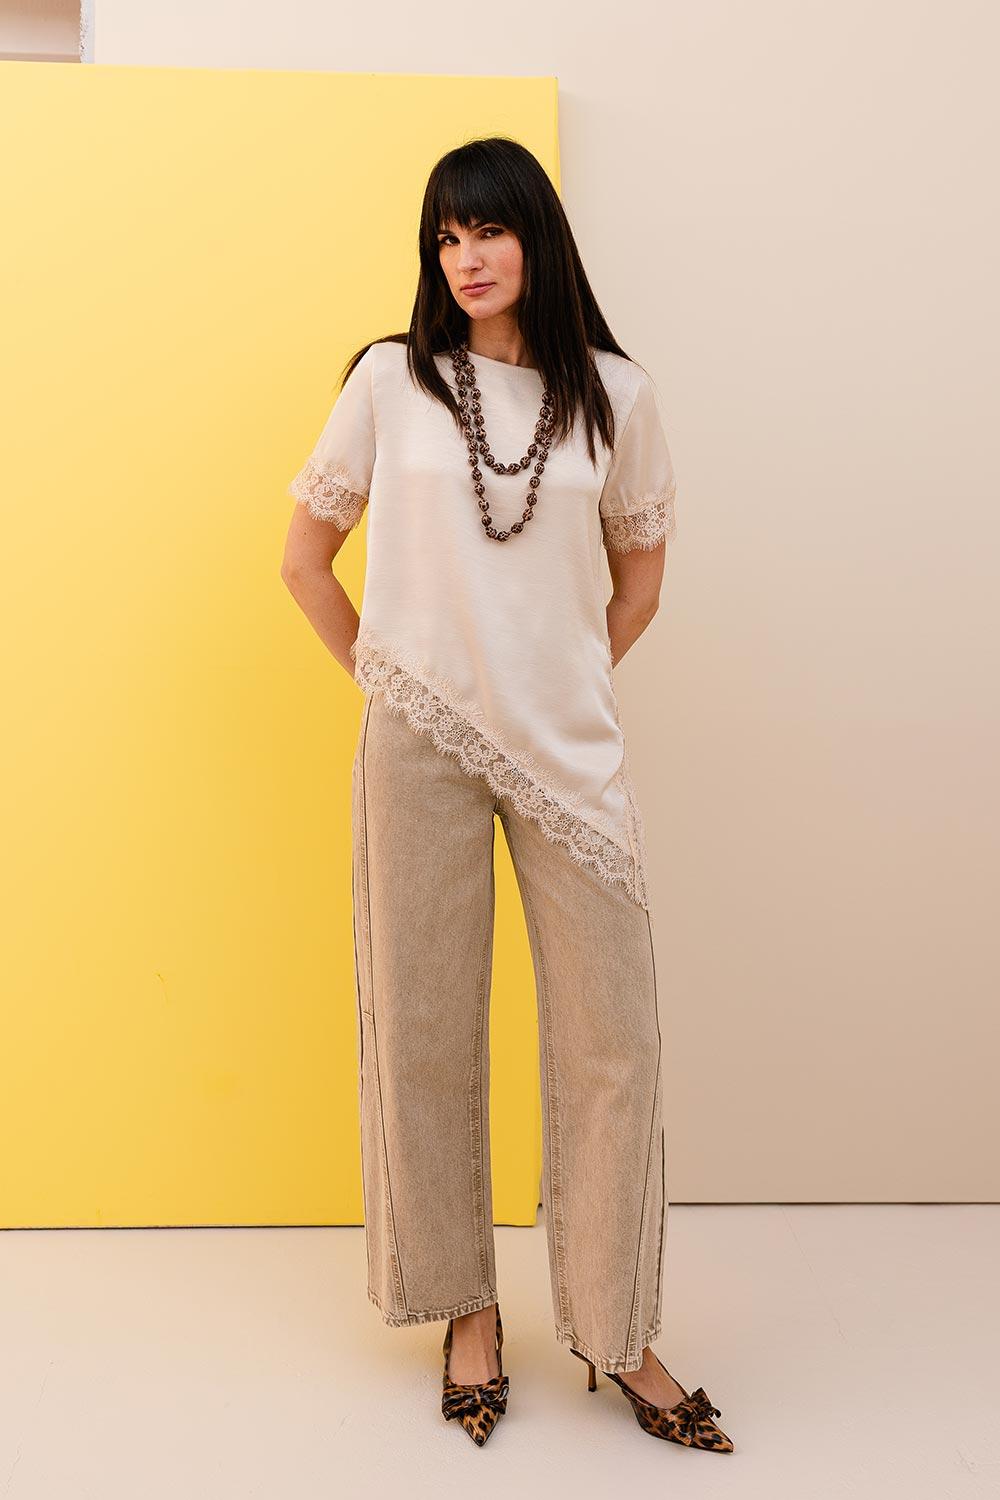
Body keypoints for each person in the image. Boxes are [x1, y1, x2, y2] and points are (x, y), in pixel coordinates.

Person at [280, 135, 734, 1453]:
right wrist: (397, 678)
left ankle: (616, 1327)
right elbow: (305, 557)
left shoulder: (617, 395)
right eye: (445, 236)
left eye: (488, 229)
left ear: (537, 234)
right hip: (417, 739)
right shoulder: (392, 380)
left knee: (612, 1042)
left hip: (566, 748)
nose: (466, 257)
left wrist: (556, 680)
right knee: (423, 1027)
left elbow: (640, 580)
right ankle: (464, 1309)